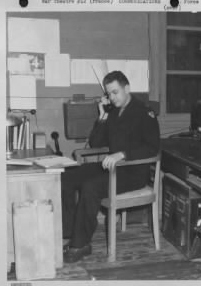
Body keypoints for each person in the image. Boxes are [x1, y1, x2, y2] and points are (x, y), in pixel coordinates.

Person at [61, 70, 160, 263]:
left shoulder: (144, 112)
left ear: (127, 88)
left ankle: (80, 244)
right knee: (68, 176)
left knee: (91, 186)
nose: (112, 97)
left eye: (115, 92)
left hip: (133, 172)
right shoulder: (113, 112)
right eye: (109, 94)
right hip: (114, 168)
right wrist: (102, 116)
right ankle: (71, 231)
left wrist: (123, 154)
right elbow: (96, 143)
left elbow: (152, 147)